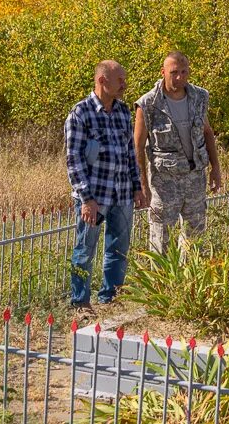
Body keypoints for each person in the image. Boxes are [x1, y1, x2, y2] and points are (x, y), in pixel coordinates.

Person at [65, 60, 145, 308]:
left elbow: (129, 152)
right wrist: (86, 199)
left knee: (118, 250)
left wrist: (136, 186)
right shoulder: (81, 113)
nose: (124, 84)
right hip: (95, 197)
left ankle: (110, 299)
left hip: (121, 194)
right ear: (102, 81)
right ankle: (80, 303)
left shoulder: (122, 111)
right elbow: (74, 159)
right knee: (84, 251)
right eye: (119, 79)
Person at [134, 51, 222, 253]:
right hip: (165, 184)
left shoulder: (199, 97)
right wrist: (142, 186)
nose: (180, 77)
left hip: (195, 180)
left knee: (195, 242)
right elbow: (137, 147)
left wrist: (215, 168)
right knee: (162, 243)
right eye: (174, 73)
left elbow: (207, 132)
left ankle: (189, 284)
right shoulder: (148, 104)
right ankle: (161, 284)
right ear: (163, 72)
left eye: (184, 72)